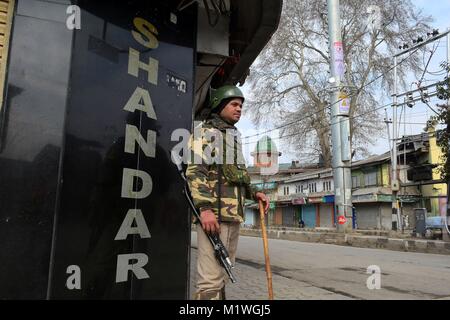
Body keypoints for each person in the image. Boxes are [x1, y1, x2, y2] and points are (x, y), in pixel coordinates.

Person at [186, 85, 269, 300]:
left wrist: (254, 194)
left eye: (241, 105)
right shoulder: (205, 133)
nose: (239, 109)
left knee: (222, 274)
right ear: (220, 105)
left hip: (232, 218)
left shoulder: (232, 138)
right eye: (234, 104)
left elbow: (238, 176)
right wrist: (204, 209)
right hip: (213, 218)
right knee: (210, 280)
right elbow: (196, 172)